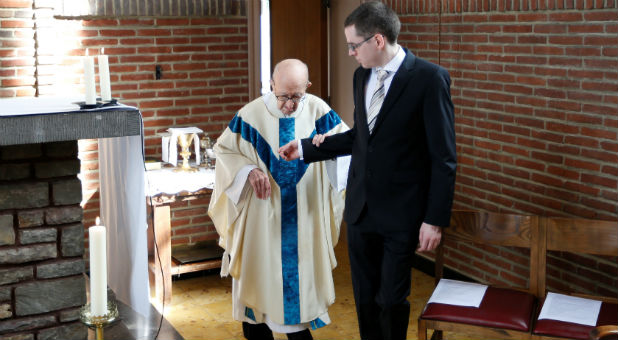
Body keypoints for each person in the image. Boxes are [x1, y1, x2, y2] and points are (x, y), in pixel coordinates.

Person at [279, 2, 457, 340]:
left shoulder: (429, 79)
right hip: (361, 211)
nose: (349, 52)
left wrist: (434, 220)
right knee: (364, 300)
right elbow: (362, 137)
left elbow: (444, 157)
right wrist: (305, 147)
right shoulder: (362, 76)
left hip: (402, 213)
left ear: (377, 40)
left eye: (353, 45)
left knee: (391, 300)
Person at [208, 59, 350, 340]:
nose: (289, 104)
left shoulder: (320, 112)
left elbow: (347, 149)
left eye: (297, 96)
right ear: (271, 85)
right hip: (260, 225)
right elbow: (223, 151)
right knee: (257, 311)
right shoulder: (250, 116)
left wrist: (324, 151)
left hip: (303, 223)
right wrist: (248, 172)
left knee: (296, 321)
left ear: (307, 87)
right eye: (283, 96)